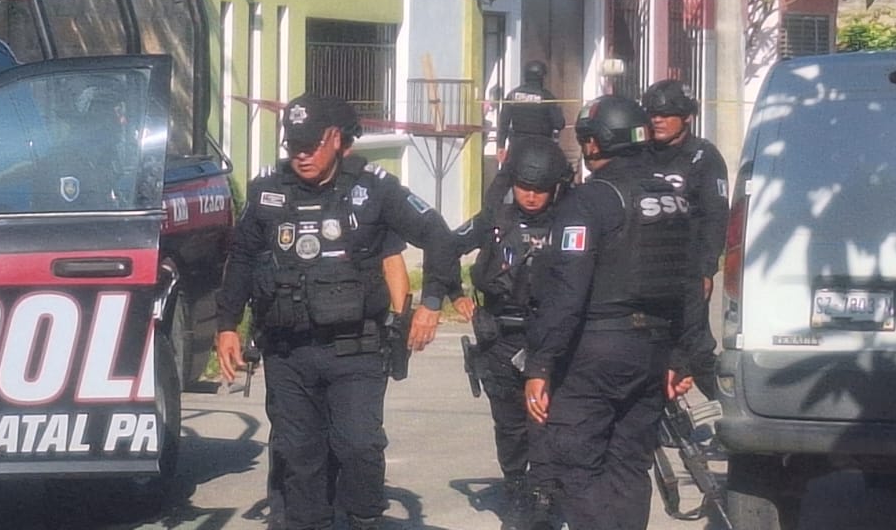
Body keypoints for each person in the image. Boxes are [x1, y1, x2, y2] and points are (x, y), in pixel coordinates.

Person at [217, 93, 460, 530]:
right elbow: (242, 257)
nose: (302, 155)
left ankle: (364, 518)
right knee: (298, 453)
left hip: (356, 349)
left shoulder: (374, 188)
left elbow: (438, 236)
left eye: (310, 145)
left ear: (334, 139)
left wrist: (431, 303)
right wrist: (227, 324)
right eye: (294, 145)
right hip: (287, 350)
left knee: (358, 446)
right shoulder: (268, 189)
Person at [522, 94, 703, 530]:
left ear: (596, 142)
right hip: (654, 352)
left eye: (587, 138)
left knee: (575, 464)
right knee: (629, 465)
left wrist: (541, 363)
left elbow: (568, 290)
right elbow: (692, 282)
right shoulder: (674, 198)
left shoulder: (590, 200)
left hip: (596, 352)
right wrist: (683, 355)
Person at [449, 136, 572, 530]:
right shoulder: (495, 219)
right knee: (510, 425)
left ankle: (545, 497)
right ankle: (517, 490)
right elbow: (446, 246)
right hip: (500, 337)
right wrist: (453, 294)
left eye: (540, 189)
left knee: (549, 422)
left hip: (551, 336)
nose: (531, 196)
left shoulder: (572, 220)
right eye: (524, 187)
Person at [642, 77, 729, 397]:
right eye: (653, 114)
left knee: (694, 347)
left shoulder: (703, 156)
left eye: (666, 115)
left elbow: (716, 216)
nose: (658, 121)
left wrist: (707, 270)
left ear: (687, 117)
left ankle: (727, 407)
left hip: (687, 268)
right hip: (646, 266)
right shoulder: (639, 153)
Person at [496, 61, 566, 163]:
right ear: (541, 77)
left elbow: (503, 122)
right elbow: (559, 123)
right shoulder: (547, 97)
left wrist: (501, 145)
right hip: (540, 149)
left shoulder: (513, 95)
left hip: (517, 147)